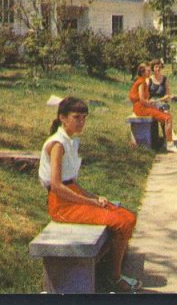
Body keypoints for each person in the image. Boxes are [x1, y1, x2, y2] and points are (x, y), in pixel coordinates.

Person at [39, 97, 142, 293]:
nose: (81, 122)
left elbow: (72, 182)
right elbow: (57, 186)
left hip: (72, 195)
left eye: (84, 118)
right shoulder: (57, 144)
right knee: (122, 222)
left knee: (127, 217)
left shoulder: (70, 141)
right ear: (62, 117)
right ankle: (115, 277)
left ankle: (108, 268)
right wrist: (90, 202)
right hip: (61, 205)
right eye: (76, 117)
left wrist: (95, 197)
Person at [129, 62, 176, 152]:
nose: (150, 72)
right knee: (168, 118)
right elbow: (142, 100)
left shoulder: (141, 80)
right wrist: (151, 105)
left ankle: (165, 141)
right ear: (143, 72)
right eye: (148, 71)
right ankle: (170, 144)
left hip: (140, 107)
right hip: (141, 109)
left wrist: (151, 104)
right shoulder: (142, 82)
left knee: (164, 113)